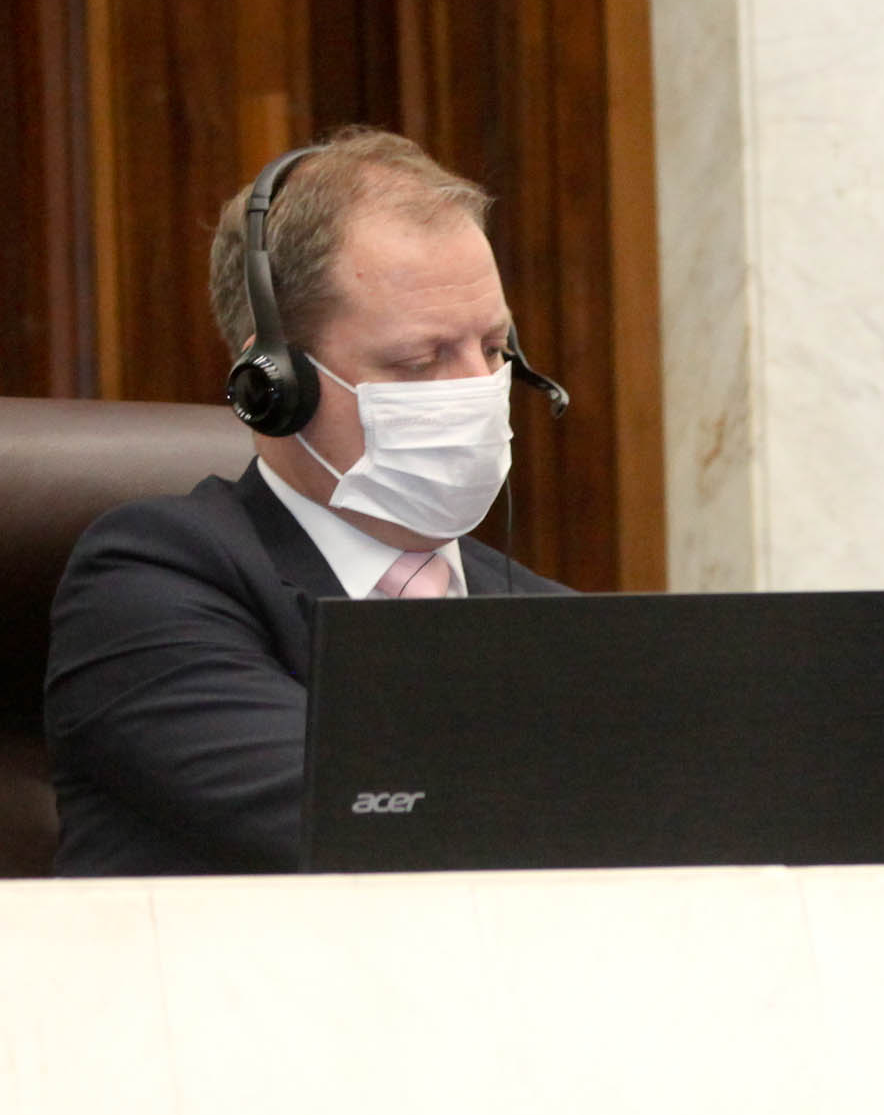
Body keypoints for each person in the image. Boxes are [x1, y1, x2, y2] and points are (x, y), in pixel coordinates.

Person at [45, 128, 566, 878]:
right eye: (420, 360)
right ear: (276, 382)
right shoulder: (148, 582)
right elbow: (354, 818)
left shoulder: (554, 619)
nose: (474, 390)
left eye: (492, 347)